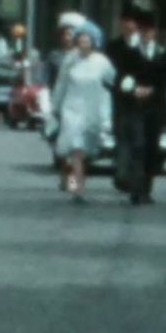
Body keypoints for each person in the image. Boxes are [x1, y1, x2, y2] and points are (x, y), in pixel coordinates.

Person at [112, 9, 166, 206]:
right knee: (138, 146)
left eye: (149, 31)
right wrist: (133, 89)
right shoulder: (131, 53)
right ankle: (135, 188)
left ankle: (147, 186)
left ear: (154, 33)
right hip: (136, 106)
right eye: (143, 31)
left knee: (152, 148)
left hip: (157, 107)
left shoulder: (163, 52)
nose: (146, 34)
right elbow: (121, 78)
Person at [48, 24, 115, 204]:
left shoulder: (102, 62)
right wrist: (54, 107)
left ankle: (72, 180)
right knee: (75, 149)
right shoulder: (69, 60)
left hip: (93, 110)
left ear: (94, 42)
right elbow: (61, 84)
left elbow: (112, 83)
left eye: (87, 39)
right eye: (80, 39)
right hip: (72, 109)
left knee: (85, 152)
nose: (83, 42)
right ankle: (78, 189)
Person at [104, 7, 144, 196]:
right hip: (119, 101)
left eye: (131, 21)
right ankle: (71, 185)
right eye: (125, 21)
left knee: (137, 141)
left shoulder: (145, 47)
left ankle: (135, 180)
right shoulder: (112, 47)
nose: (128, 25)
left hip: (139, 102)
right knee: (122, 139)